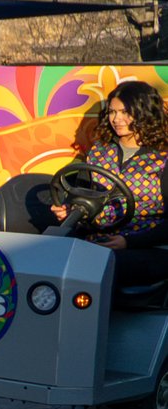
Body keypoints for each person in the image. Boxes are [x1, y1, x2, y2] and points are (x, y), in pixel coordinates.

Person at [53, 80, 168, 274]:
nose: (117, 119)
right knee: (50, 254)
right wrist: (69, 210)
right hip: (96, 239)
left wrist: (128, 241)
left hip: (145, 245)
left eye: (125, 112)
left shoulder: (162, 157)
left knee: (102, 265)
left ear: (145, 112)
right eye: (113, 112)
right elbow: (81, 194)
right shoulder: (99, 151)